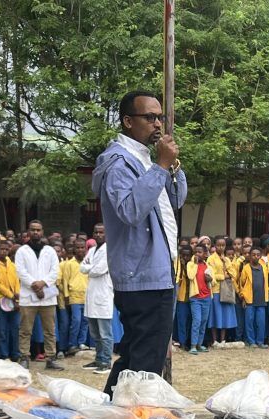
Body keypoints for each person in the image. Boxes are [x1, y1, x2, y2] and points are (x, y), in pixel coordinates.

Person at [92, 90, 187, 395]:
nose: (157, 123)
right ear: (128, 121)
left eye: (160, 117)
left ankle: (109, 411)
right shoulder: (118, 162)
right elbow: (130, 210)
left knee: (135, 357)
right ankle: (132, 418)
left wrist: (171, 166)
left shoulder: (145, 159)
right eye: (149, 117)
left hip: (158, 271)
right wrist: (160, 166)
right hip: (142, 275)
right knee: (146, 361)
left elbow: (175, 201)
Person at [15, 219, 63, 369]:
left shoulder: (50, 251)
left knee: (50, 330)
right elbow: (20, 271)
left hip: (47, 296)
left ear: (42, 232)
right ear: (28, 232)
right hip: (28, 296)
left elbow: (55, 271)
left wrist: (43, 283)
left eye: (38, 230)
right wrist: (35, 285)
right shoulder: (22, 251)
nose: (35, 232)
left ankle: (51, 358)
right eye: (33, 229)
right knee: (25, 330)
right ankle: (24, 357)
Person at [80, 227, 114, 373]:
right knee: (95, 333)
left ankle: (106, 362)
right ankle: (99, 359)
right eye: (96, 232)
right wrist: (91, 268)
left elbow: (99, 270)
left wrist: (89, 268)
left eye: (101, 232)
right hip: (92, 295)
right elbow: (82, 267)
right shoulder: (92, 250)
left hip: (103, 294)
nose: (98, 234)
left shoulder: (109, 249)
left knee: (105, 333)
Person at [237, 245, 269, 348]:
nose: (256, 257)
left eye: (258, 255)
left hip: (261, 299)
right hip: (249, 299)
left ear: (260, 256)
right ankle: (251, 341)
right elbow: (241, 284)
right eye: (253, 255)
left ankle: (260, 341)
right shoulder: (246, 268)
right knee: (249, 322)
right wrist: (243, 297)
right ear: (250, 256)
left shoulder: (264, 267)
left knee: (261, 322)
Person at [0, 237, 20, 362]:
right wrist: (11, 295)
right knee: (1, 330)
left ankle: (15, 354)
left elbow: (17, 281)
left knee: (15, 329)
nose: (4, 251)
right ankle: (4, 355)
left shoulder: (12, 265)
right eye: (1, 249)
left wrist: (17, 297)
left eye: (6, 249)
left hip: (14, 301)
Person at [185, 242, 214, 354]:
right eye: (196, 252)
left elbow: (213, 281)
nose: (197, 254)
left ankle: (199, 344)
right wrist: (196, 264)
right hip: (195, 298)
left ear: (205, 254)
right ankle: (193, 345)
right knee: (196, 321)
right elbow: (191, 276)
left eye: (200, 252)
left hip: (207, 297)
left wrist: (210, 279)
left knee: (203, 321)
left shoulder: (208, 266)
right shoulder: (190, 264)